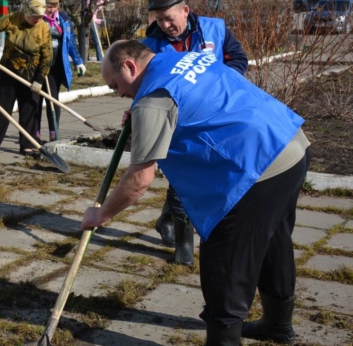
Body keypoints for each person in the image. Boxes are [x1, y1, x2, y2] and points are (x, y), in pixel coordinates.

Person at [82, 40, 309, 345]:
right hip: (289, 144)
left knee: (226, 268)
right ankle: (277, 325)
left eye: (115, 85)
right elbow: (189, 101)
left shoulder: (153, 101)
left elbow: (140, 179)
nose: (119, 93)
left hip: (254, 169)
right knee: (273, 241)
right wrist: (141, 115)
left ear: (130, 67)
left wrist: (102, 213)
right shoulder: (183, 59)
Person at [142, 0, 249, 266]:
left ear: (185, 11)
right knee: (183, 179)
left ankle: (166, 220)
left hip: (215, 118)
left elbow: (238, 59)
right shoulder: (151, 45)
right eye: (159, 20)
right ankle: (184, 244)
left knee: (201, 177)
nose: (166, 26)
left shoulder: (215, 30)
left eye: (169, 18)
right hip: (178, 124)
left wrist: (216, 81)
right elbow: (145, 84)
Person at [0, 0, 53, 157]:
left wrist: (39, 80)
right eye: (35, 16)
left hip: (31, 74)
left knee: (30, 109)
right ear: (27, 12)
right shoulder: (13, 19)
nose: (38, 20)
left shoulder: (43, 28)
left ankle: (27, 145)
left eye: (41, 17)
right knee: (1, 107)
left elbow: (47, 56)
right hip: (8, 71)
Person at [34, 0, 86, 142]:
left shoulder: (63, 19)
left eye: (55, 5)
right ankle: (34, 133)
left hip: (56, 65)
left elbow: (70, 41)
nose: (53, 9)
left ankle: (53, 132)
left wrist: (78, 61)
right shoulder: (35, 18)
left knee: (53, 99)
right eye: (50, 6)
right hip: (37, 64)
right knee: (35, 100)